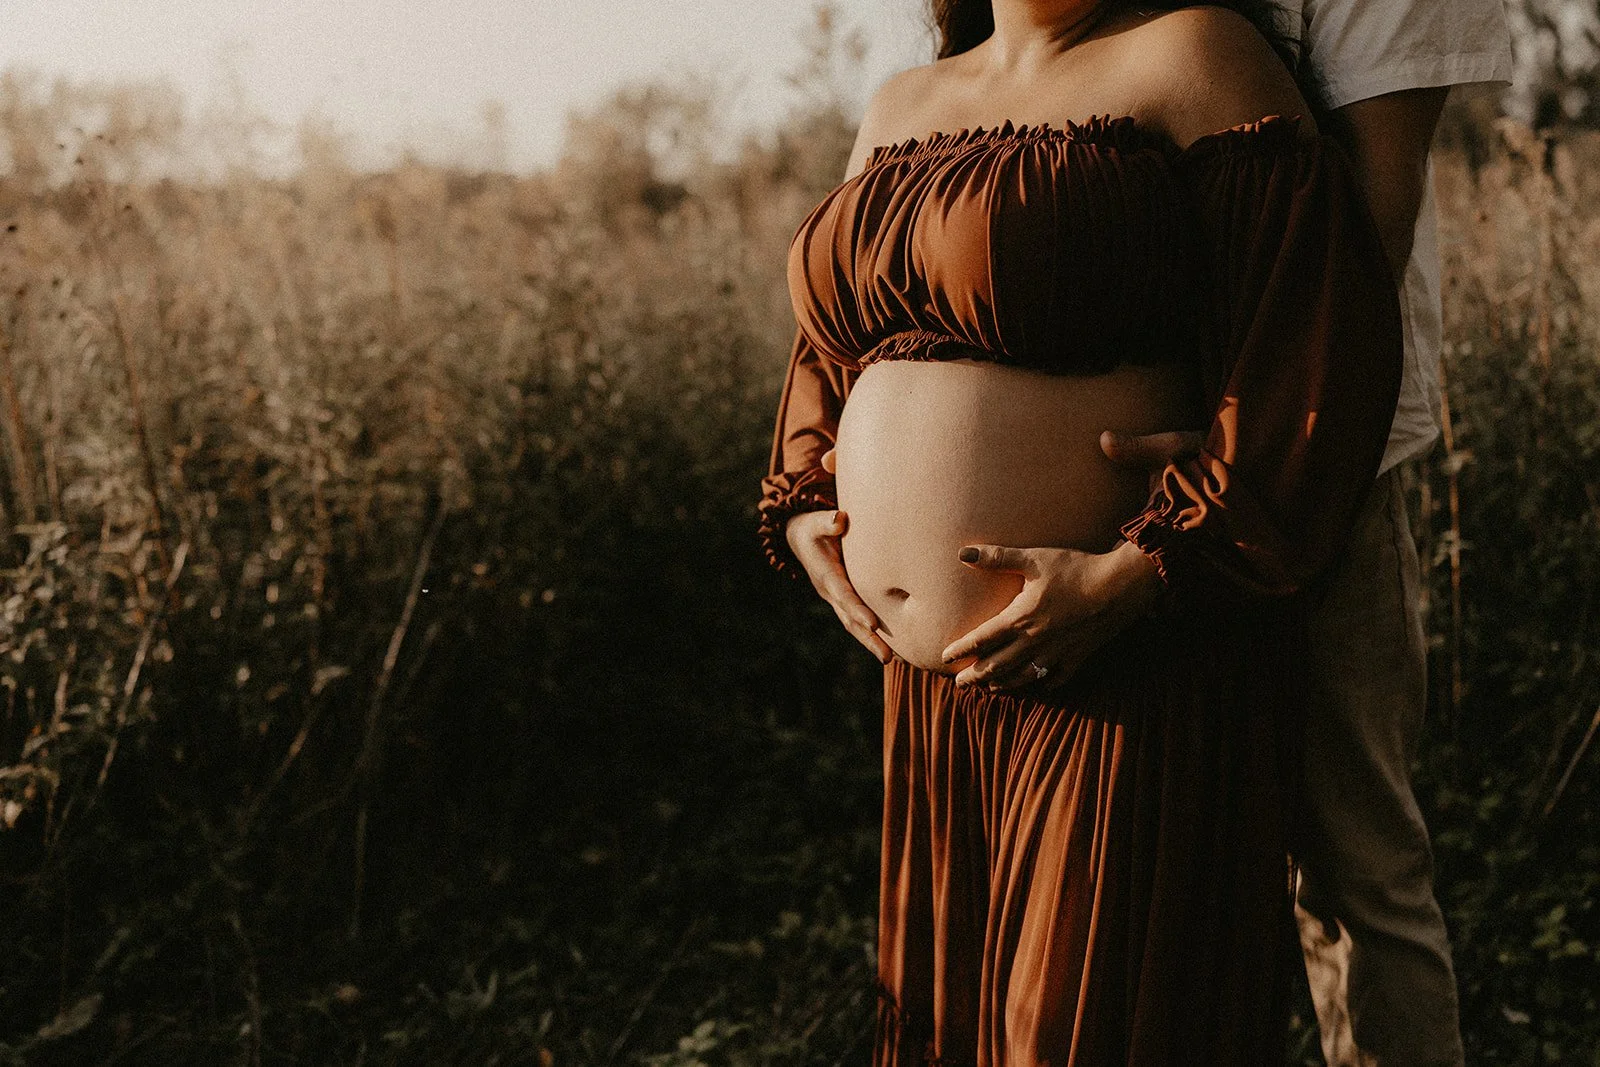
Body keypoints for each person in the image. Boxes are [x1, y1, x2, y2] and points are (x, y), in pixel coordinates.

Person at [758, 0, 1409, 1060]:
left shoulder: (1196, 53)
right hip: (934, 693)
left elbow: (1311, 344)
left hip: (1126, 653)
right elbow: (826, 358)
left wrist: (1148, 565)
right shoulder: (900, 104)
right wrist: (799, 510)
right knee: (954, 1031)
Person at [1097, 3, 1511, 1062]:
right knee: (1144, 864)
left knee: (1351, 868)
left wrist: (1243, 450)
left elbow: (1370, 221)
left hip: (1321, 464)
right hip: (1110, 466)